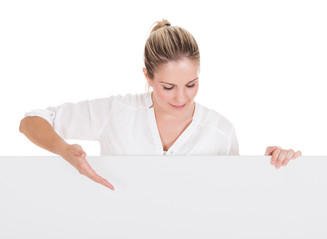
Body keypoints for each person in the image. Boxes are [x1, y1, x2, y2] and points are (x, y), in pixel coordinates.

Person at [19, 19, 302, 191]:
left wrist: (270, 165)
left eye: (191, 84)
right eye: (168, 87)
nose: (181, 98)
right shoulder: (116, 113)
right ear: (148, 77)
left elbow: (233, 196)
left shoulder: (221, 131)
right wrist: (65, 150)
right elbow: (31, 121)